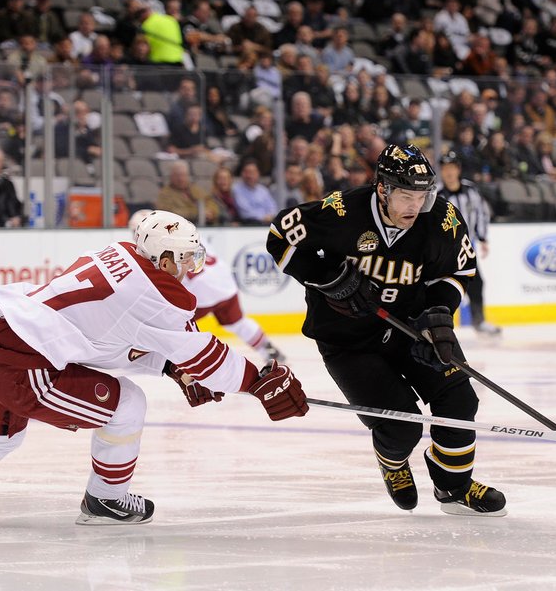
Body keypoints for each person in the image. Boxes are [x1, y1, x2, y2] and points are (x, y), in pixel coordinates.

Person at [0, 210, 308, 523]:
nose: (192, 266)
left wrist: (171, 368)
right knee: (127, 405)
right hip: (25, 367)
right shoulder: (161, 294)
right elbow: (205, 355)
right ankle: (108, 499)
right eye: (186, 257)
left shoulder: (119, 251)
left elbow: (106, 341)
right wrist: (256, 381)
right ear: (164, 258)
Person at [266, 143, 507, 516]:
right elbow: (279, 236)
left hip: (411, 327)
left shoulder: (441, 218)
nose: (415, 206)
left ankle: (453, 487)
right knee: (401, 428)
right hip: (348, 342)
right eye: (406, 196)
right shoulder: (343, 212)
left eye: (422, 196)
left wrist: (438, 315)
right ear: (382, 188)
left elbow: (458, 271)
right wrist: (329, 279)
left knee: (459, 400)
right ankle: (393, 462)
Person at [129, 209, 285, 363]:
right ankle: (268, 349)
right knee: (237, 322)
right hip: (224, 283)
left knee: (165, 327)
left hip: (199, 294)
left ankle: (149, 360)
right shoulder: (188, 233)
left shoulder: (157, 249)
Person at [437, 152, 501, 336]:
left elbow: (482, 212)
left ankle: (479, 321)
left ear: (458, 169)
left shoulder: (471, 190)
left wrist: (482, 238)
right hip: (444, 251)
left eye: (452, 168)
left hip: (465, 249)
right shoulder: (438, 196)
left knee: (476, 283)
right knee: (443, 287)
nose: (448, 172)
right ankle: (441, 325)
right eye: (445, 169)